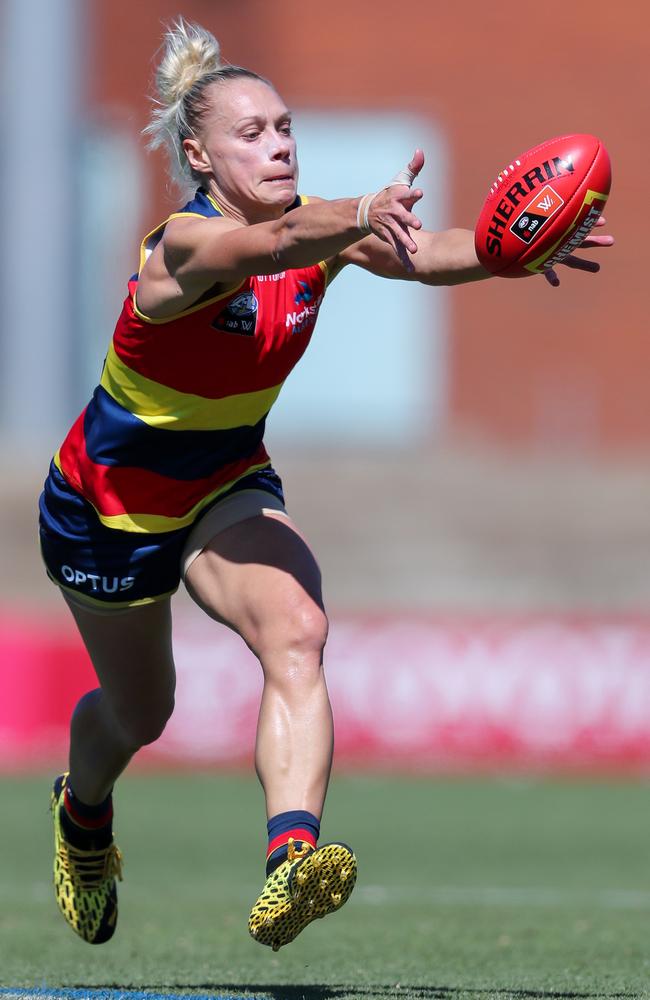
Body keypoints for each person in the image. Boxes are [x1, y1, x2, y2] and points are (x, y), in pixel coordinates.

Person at [39, 18, 613, 953]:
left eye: (286, 127)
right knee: (141, 713)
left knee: (299, 629)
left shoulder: (322, 228)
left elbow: (424, 254)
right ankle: (83, 811)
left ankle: (290, 861)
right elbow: (277, 244)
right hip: (107, 505)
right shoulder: (184, 248)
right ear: (199, 154)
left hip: (225, 477)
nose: (278, 144)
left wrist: (516, 251)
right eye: (253, 132)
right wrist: (353, 210)